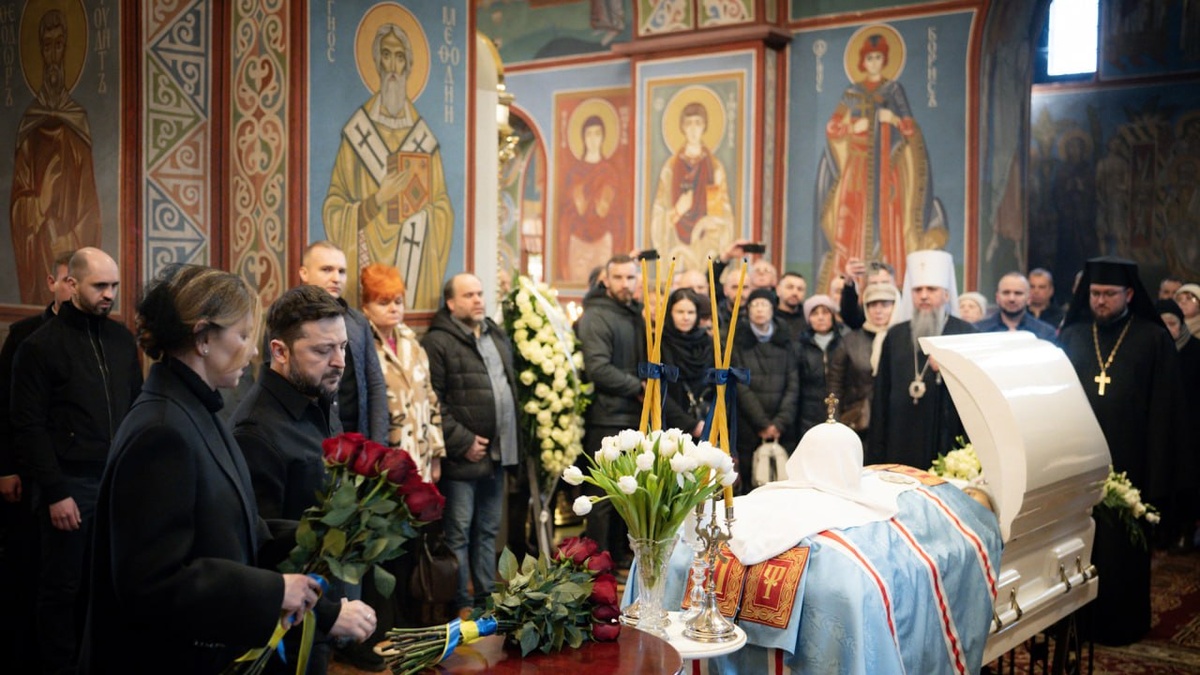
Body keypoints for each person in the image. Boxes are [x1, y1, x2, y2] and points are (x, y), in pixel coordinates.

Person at [79, 264, 374, 675]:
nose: (252, 351)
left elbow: (239, 525)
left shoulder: (198, 408)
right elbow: (151, 582)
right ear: (203, 338)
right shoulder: (163, 430)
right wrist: (274, 590)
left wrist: (331, 533)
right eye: (241, 336)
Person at [10, 247, 142, 674]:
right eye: (99, 286)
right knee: (61, 589)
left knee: (109, 584)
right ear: (71, 285)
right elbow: (28, 427)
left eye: (114, 286)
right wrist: (55, 491)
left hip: (116, 481)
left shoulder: (122, 340)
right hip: (69, 484)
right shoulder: (38, 346)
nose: (109, 295)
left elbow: (137, 409)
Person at [1057, 257, 1185, 645]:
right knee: (1077, 545)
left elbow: (1166, 411)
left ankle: (1121, 623)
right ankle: (1073, 622)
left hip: (1133, 461)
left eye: (1109, 294)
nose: (1100, 301)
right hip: (1078, 461)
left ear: (1129, 294)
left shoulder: (1152, 337)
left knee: (1122, 550)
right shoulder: (1074, 335)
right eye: (1095, 294)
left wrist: (1159, 476)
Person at [323, 22, 453, 310]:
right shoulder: (358, 132)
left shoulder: (424, 140)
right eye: (386, 55)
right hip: (367, 255)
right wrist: (377, 200)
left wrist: (419, 217)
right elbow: (334, 205)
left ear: (408, 65)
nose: (392, 65)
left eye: (399, 56)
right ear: (377, 62)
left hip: (414, 254)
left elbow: (443, 207)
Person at [816, 33, 947, 292]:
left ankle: (890, 286)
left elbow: (910, 127)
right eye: (869, 58)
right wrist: (853, 126)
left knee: (891, 223)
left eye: (878, 57)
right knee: (850, 224)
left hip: (889, 170)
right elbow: (833, 126)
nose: (874, 62)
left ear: (885, 60)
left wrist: (895, 120)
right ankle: (847, 288)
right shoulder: (852, 92)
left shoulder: (894, 90)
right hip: (858, 170)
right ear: (863, 62)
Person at [421, 274, 521, 615]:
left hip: (496, 454)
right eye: (469, 295)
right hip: (463, 457)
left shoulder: (494, 333)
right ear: (451, 303)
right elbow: (432, 401)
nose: (478, 300)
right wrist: (463, 441)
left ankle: (485, 600)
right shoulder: (438, 342)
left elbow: (508, 386)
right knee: (459, 533)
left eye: (480, 293)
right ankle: (461, 603)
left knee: (489, 532)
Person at [0, 249, 73, 672]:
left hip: (73, 472)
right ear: (53, 282)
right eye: (64, 281)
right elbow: (7, 407)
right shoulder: (26, 333)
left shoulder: (102, 337)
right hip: (28, 470)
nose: (70, 288)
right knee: (29, 564)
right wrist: (5, 465)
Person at [9, 9, 101, 307]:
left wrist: (71, 240)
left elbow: (91, 208)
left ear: (66, 50)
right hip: (37, 260)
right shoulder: (29, 127)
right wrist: (39, 201)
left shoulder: (78, 124)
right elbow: (16, 209)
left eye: (58, 45)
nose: (52, 56)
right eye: (46, 46)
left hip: (68, 250)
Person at [868, 249, 976, 469]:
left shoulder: (965, 334)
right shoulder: (896, 334)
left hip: (945, 436)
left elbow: (975, 393)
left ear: (946, 294)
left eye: (931, 289)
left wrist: (948, 370)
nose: (924, 295)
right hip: (899, 439)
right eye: (918, 290)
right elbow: (881, 395)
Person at [575, 256, 645, 555]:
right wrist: (639, 387)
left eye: (630, 278)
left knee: (628, 494)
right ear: (606, 279)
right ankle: (598, 564)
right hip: (607, 417)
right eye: (618, 277)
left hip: (632, 416)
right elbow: (598, 368)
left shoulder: (632, 313)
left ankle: (618, 558)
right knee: (603, 497)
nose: (625, 284)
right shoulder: (597, 316)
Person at [360, 263, 445, 481]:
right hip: (386, 460)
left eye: (398, 301)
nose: (394, 308)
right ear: (366, 307)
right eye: (383, 302)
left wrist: (435, 454)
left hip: (420, 455)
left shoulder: (412, 342)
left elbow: (431, 398)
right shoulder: (363, 344)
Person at [298, 241, 388, 444]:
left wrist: (379, 446)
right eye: (327, 269)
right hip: (311, 440)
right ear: (304, 273)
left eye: (342, 271)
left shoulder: (357, 322)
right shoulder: (287, 320)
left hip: (356, 439)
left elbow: (375, 384)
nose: (336, 278)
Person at [649, 100, 735, 272]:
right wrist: (677, 211)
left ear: (705, 127)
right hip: (676, 241)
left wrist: (705, 224)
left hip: (704, 243)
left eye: (698, 123)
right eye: (689, 123)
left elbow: (718, 213)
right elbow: (659, 212)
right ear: (682, 127)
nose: (693, 129)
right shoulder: (671, 168)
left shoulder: (713, 167)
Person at [731, 288, 800, 492]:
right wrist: (761, 422)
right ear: (748, 310)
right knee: (751, 486)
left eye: (765, 305)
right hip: (749, 427)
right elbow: (739, 385)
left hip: (783, 428)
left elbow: (793, 384)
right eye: (755, 305)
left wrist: (779, 422)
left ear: (773, 310)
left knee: (781, 487)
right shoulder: (738, 342)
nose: (760, 310)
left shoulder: (786, 341)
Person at [556, 114, 626, 284]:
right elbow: (565, 211)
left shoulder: (609, 172)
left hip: (602, 240)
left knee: (603, 284)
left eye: (597, 134)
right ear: (583, 138)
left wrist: (604, 207)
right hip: (578, 239)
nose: (593, 139)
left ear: (603, 137)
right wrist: (576, 206)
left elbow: (615, 212)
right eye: (589, 134)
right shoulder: (575, 173)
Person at [828, 283, 898, 443]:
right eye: (872, 304)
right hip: (858, 422)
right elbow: (835, 384)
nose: (878, 310)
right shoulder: (851, 340)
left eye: (885, 304)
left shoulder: (903, 339)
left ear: (896, 306)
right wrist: (834, 421)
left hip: (895, 422)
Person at [1157, 299, 1200, 551]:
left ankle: (1185, 530)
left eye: (1172, 324)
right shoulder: (1154, 351)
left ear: (1181, 325)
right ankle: (1164, 530)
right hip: (1164, 428)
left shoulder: (1195, 350)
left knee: (1187, 484)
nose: (1168, 330)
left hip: (1191, 429)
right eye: (1162, 324)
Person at [659, 289, 714, 439]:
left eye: (691, 312)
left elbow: (716, 386)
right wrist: (689, 425)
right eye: (680, 312)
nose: (685, 317)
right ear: (670, 312)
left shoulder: (707, 343)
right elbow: (656, 390)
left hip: (705, 425)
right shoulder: (658, 342)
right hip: (669, 428)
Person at [796, 295, 843, 438]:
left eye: (825, 312)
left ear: (832, 316)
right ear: (808, 319)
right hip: (809, 415)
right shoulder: (800, 346)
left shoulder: (844, 342)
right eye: (815, 313)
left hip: (840, 412)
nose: (820, 317)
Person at [974, 272, 1057, 339]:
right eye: (1006, 293)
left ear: (1029, 298)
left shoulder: (1045, 333)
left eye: (1018, 293)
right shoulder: (978, 330)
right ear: (997, 297)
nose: (1011, 299)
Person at [838, 259, 895, 330]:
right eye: (874, 283)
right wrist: (849, 280)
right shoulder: (865, 311)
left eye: (884, 283)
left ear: (894, 284)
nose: (879, 288)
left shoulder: (905, 306)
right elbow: (850, 316)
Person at [775, 272, 809, 340]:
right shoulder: (768, 318)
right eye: (790, 287)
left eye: (800, 289)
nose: (795, 293)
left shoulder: (808, 319)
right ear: (778, 290)